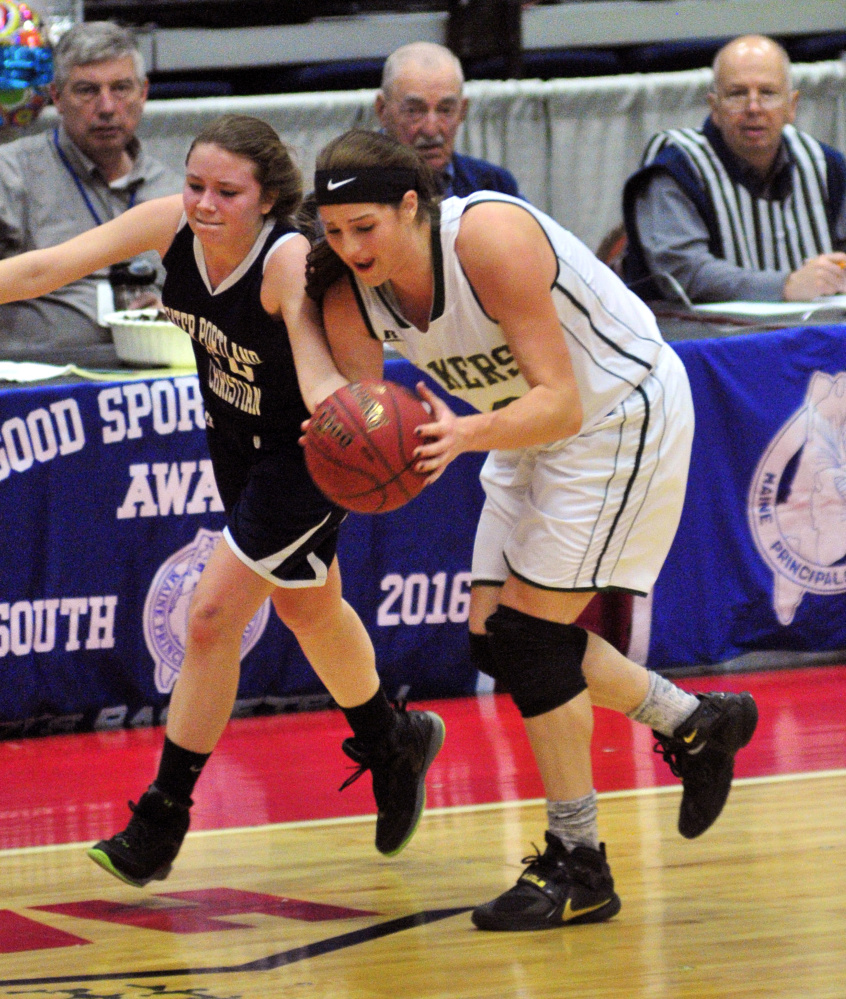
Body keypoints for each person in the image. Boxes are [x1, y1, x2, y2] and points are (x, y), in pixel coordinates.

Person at [305, 128, 758, 932]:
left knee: (530, 638)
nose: (351, 248)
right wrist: (358, 444)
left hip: (616, 412)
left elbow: (562, 400)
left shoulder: (488, 237)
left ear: (413, 205)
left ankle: (579, 860)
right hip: (520, 426)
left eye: (366, 227)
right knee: (497, 640)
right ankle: (696, 723)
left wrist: (458, 437)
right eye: (335, 232)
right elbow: (363, 407)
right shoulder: (348, 281)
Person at [0, 114, 444, 887]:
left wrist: (357, 422)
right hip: (236, 442)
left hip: (307, 453)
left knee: (209, 618)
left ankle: (162, 816)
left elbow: (314, 366)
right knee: (309, 608)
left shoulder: (287, 259)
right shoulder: (172, 224)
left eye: (226, 191)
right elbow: (46, 268)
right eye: (195, 183)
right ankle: (391, 738)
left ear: (267, 199)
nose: (203, 202)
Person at [0, 21, 182, 363]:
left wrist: (174, 315)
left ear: (143, 93)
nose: (107, 107)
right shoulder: (6, 175)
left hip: (150, 376)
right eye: (87, 90)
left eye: (121, 88)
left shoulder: (172, 190)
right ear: (56, 97)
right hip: (32, 383)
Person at [622, 35, 846, 304]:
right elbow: (684, 272)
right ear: (714, 108)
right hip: (703, 342)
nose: (754, 107)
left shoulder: (826, 165)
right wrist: (785, 285)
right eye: (737, 94)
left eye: (768, 93)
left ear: (792, 106)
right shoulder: (675, 170)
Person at [375, 41, 521, 199]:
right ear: (382, 110)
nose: (431, 130)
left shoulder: (495, 187)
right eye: (414, 111)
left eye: (445, 110)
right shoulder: (354, 186)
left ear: (462, 110)